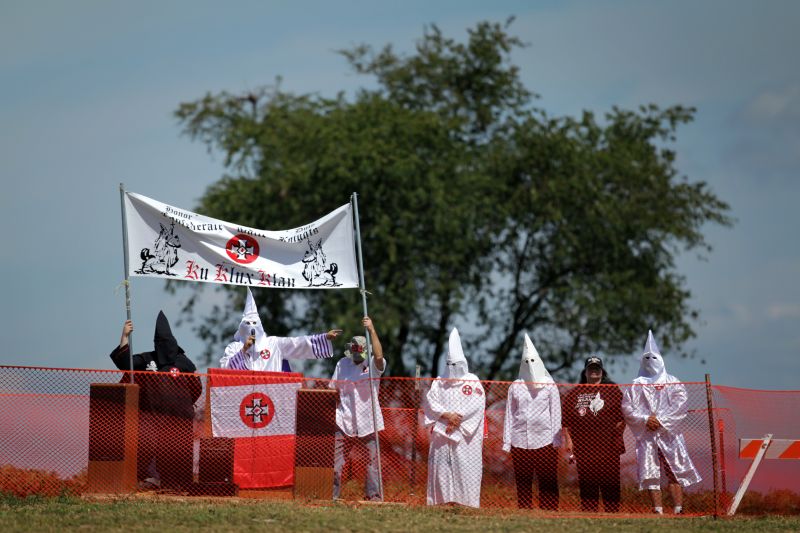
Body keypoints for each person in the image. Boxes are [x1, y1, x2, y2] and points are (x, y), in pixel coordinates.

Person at [110, 311, 202, 490]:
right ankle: (152, 480)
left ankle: (179, 485)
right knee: (148, 446)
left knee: (179, 450)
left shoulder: (184, 362)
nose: (164, 347)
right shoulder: (148, 359)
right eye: (161, 344)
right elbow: (124, 363)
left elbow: (196, 388)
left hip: (179, 419)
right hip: (151, 417)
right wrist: (124, 336)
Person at [621, 330, 701, 515]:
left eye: (654, 358)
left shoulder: (673, 382)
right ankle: (657, 509)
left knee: (674, 469)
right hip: (647, 435)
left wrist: (661, 420)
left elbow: (680, 405)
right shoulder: (636, 384)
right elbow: (627, 408)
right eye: (646, 358)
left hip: (669, 434)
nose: (650, 361)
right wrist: (645, 419)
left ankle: (678, 508)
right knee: (650, 471)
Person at [424, 328, 485, 508]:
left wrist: (457, 422)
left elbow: (477, 405)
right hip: (442, 435)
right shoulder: (439, 381)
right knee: (441, 468)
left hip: (466, 437)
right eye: (449, 364)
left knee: (465, 469)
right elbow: (431, 401)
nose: (452, 369)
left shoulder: (472, 380)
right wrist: (447, 416)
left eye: (455, 364)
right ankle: (440, 502)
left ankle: (467, 503)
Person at [502, 333, 562, 511]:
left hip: (545, 440)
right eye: (526, 362)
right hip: (520, 440)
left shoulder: (549, 385)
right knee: (523, 480)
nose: (530, 365)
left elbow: (556, 412)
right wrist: (507, 441)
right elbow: (509, 415)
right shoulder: (515, 386)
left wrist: (556, 439)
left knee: (548, 479)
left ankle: (550, 510)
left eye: (533, 361)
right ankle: (524, 509)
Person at [328, 316, 386, 501]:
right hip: (343, 420)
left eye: (359, 351)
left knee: (372, 463)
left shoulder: (372, 365)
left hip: (369, 421)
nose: (356, 354)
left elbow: (379, 356)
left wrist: (372, 330)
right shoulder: (341, 364)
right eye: (353, 350)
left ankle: (374, 498)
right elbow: (333, 390)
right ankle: (332, 497)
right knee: (335, 464)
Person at [220, 287, 342, 371]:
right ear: (241, 328)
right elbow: (224, 369)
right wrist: (243, 350)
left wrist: (324, 337)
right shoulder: (233, 348)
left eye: (254, 323)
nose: (252, 327)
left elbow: (297, 344)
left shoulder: (273, 344)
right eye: (248, 323)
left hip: (271, 394)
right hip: (241, 394)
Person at [561, 355, 625, 512]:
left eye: (597, 369)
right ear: (585, 372)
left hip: (609, 447)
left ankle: (613, 512)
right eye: (591, 369)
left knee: (610, 482)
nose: (594, 372)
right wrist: (569, 442)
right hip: (584, 449)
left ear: (602, 372)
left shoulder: (612, 390)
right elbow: (566, 422)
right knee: (588, 483)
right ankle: (589, 512)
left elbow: (623, 416)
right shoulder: (574, 394)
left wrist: (617, 435)